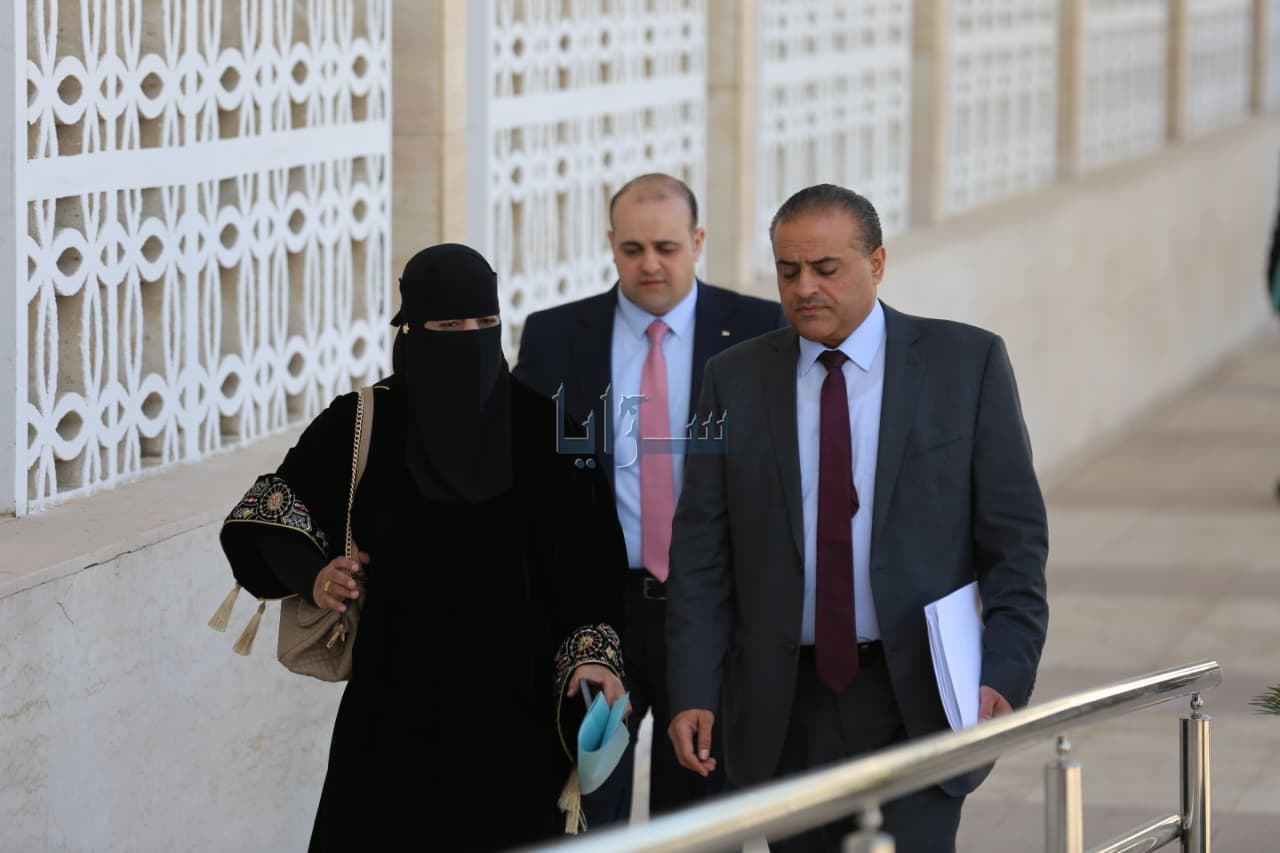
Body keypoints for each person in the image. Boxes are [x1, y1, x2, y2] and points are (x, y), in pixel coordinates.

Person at [665, 184, 1049, 853]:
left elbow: (1015, 544)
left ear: (877, 263)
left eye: (826, 268)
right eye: (788, 271)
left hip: (917, 701)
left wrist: (1005, 670)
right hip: (785, 708)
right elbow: (701, 551)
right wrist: (694, 686)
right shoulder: (733, 379)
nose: (804, 288)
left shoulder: (966, 365)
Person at [218, 244, 629, 852]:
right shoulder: (365, 423)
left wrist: (593, 657)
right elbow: (269, 508)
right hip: (391, 714)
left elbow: (592, 564)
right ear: (412, 330)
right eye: (450, 326)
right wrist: (315, 574)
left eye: (486, 323)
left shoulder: (547, 431)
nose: (471, 339)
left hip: (513, 722)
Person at [514, 173, 784, 820]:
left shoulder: (758, 329)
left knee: (701, 814)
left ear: (698, 241)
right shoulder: (556, 335)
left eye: (666, 247)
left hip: (712, 611)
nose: (650, 264)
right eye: (633, 249)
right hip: (600, 613)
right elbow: (528, 477)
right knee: (587, 809)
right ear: (611, 244)